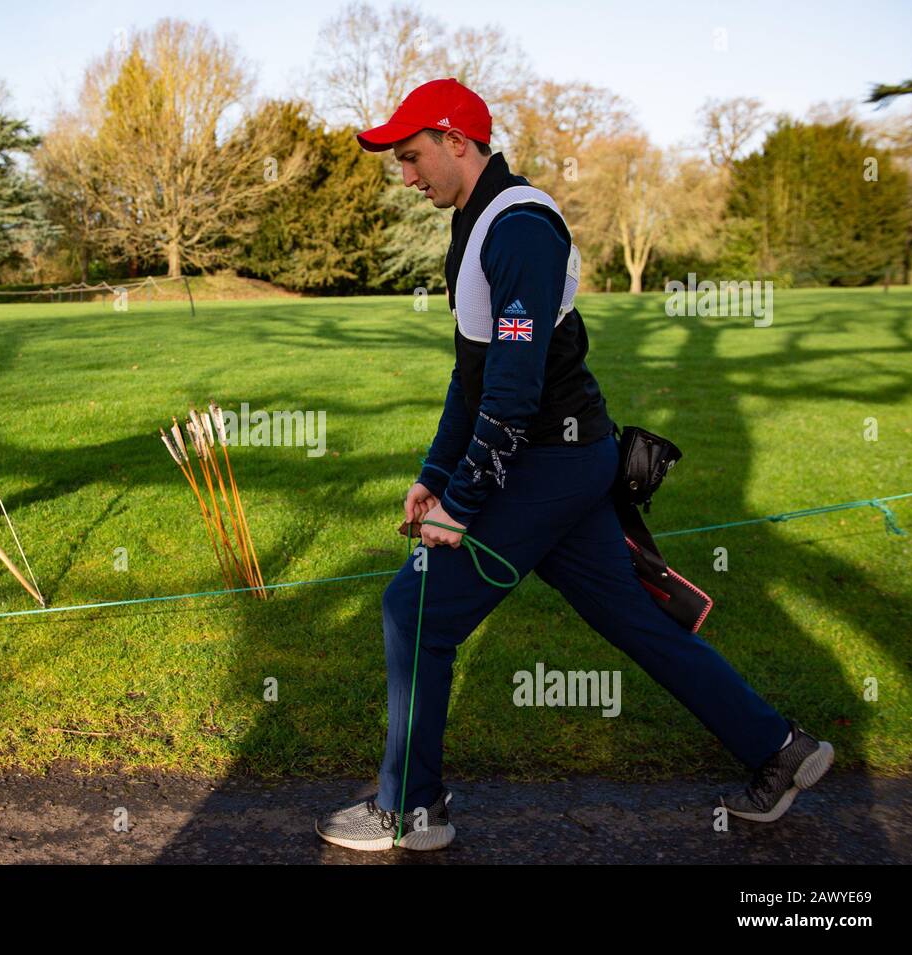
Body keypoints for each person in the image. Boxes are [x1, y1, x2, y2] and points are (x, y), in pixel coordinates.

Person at [314, 79, 834, 852]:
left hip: (545, 463)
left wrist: (461, 502)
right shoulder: (475, 219)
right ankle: (780, 749)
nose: (407, 176)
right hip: (566, 457)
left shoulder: (519, 225)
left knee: (414, 609)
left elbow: (515, 393)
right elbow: (473, 374)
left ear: (458, 138)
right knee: (630, 617)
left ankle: (410, 810)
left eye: (414, 156)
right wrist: (434, 471)